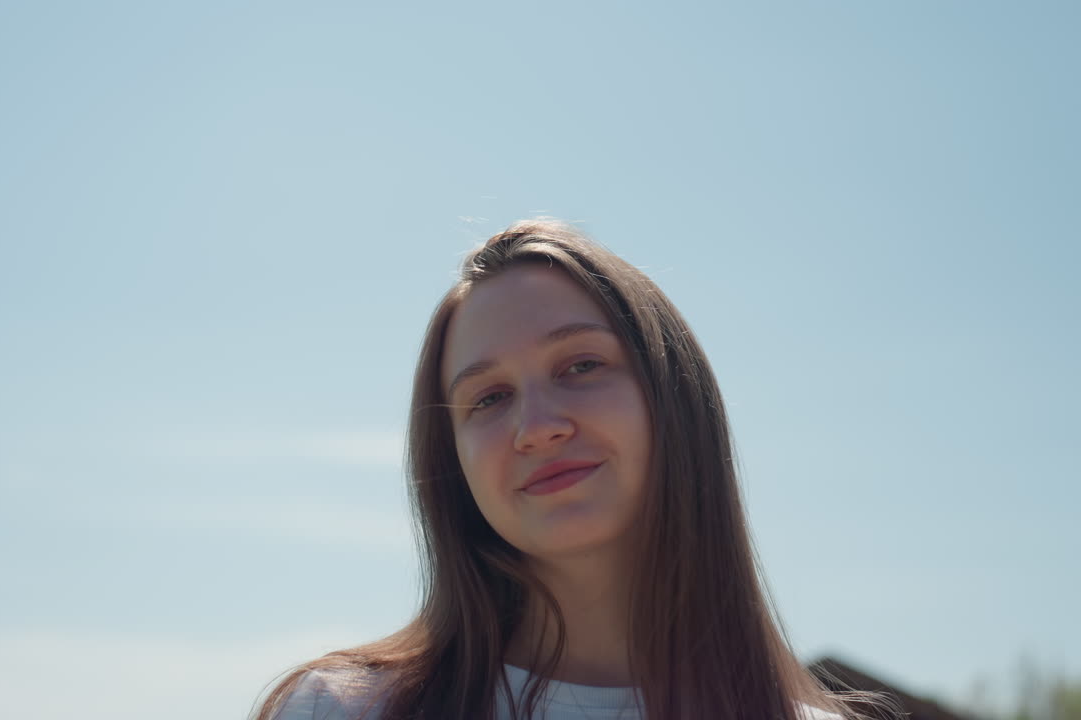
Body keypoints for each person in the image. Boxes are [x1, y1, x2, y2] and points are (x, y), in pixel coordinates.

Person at [252, 220, 892, 720]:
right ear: (452, 464)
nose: (537, 428)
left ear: (673, 396)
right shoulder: (343, 711)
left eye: (580, 366)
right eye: (490, 398)